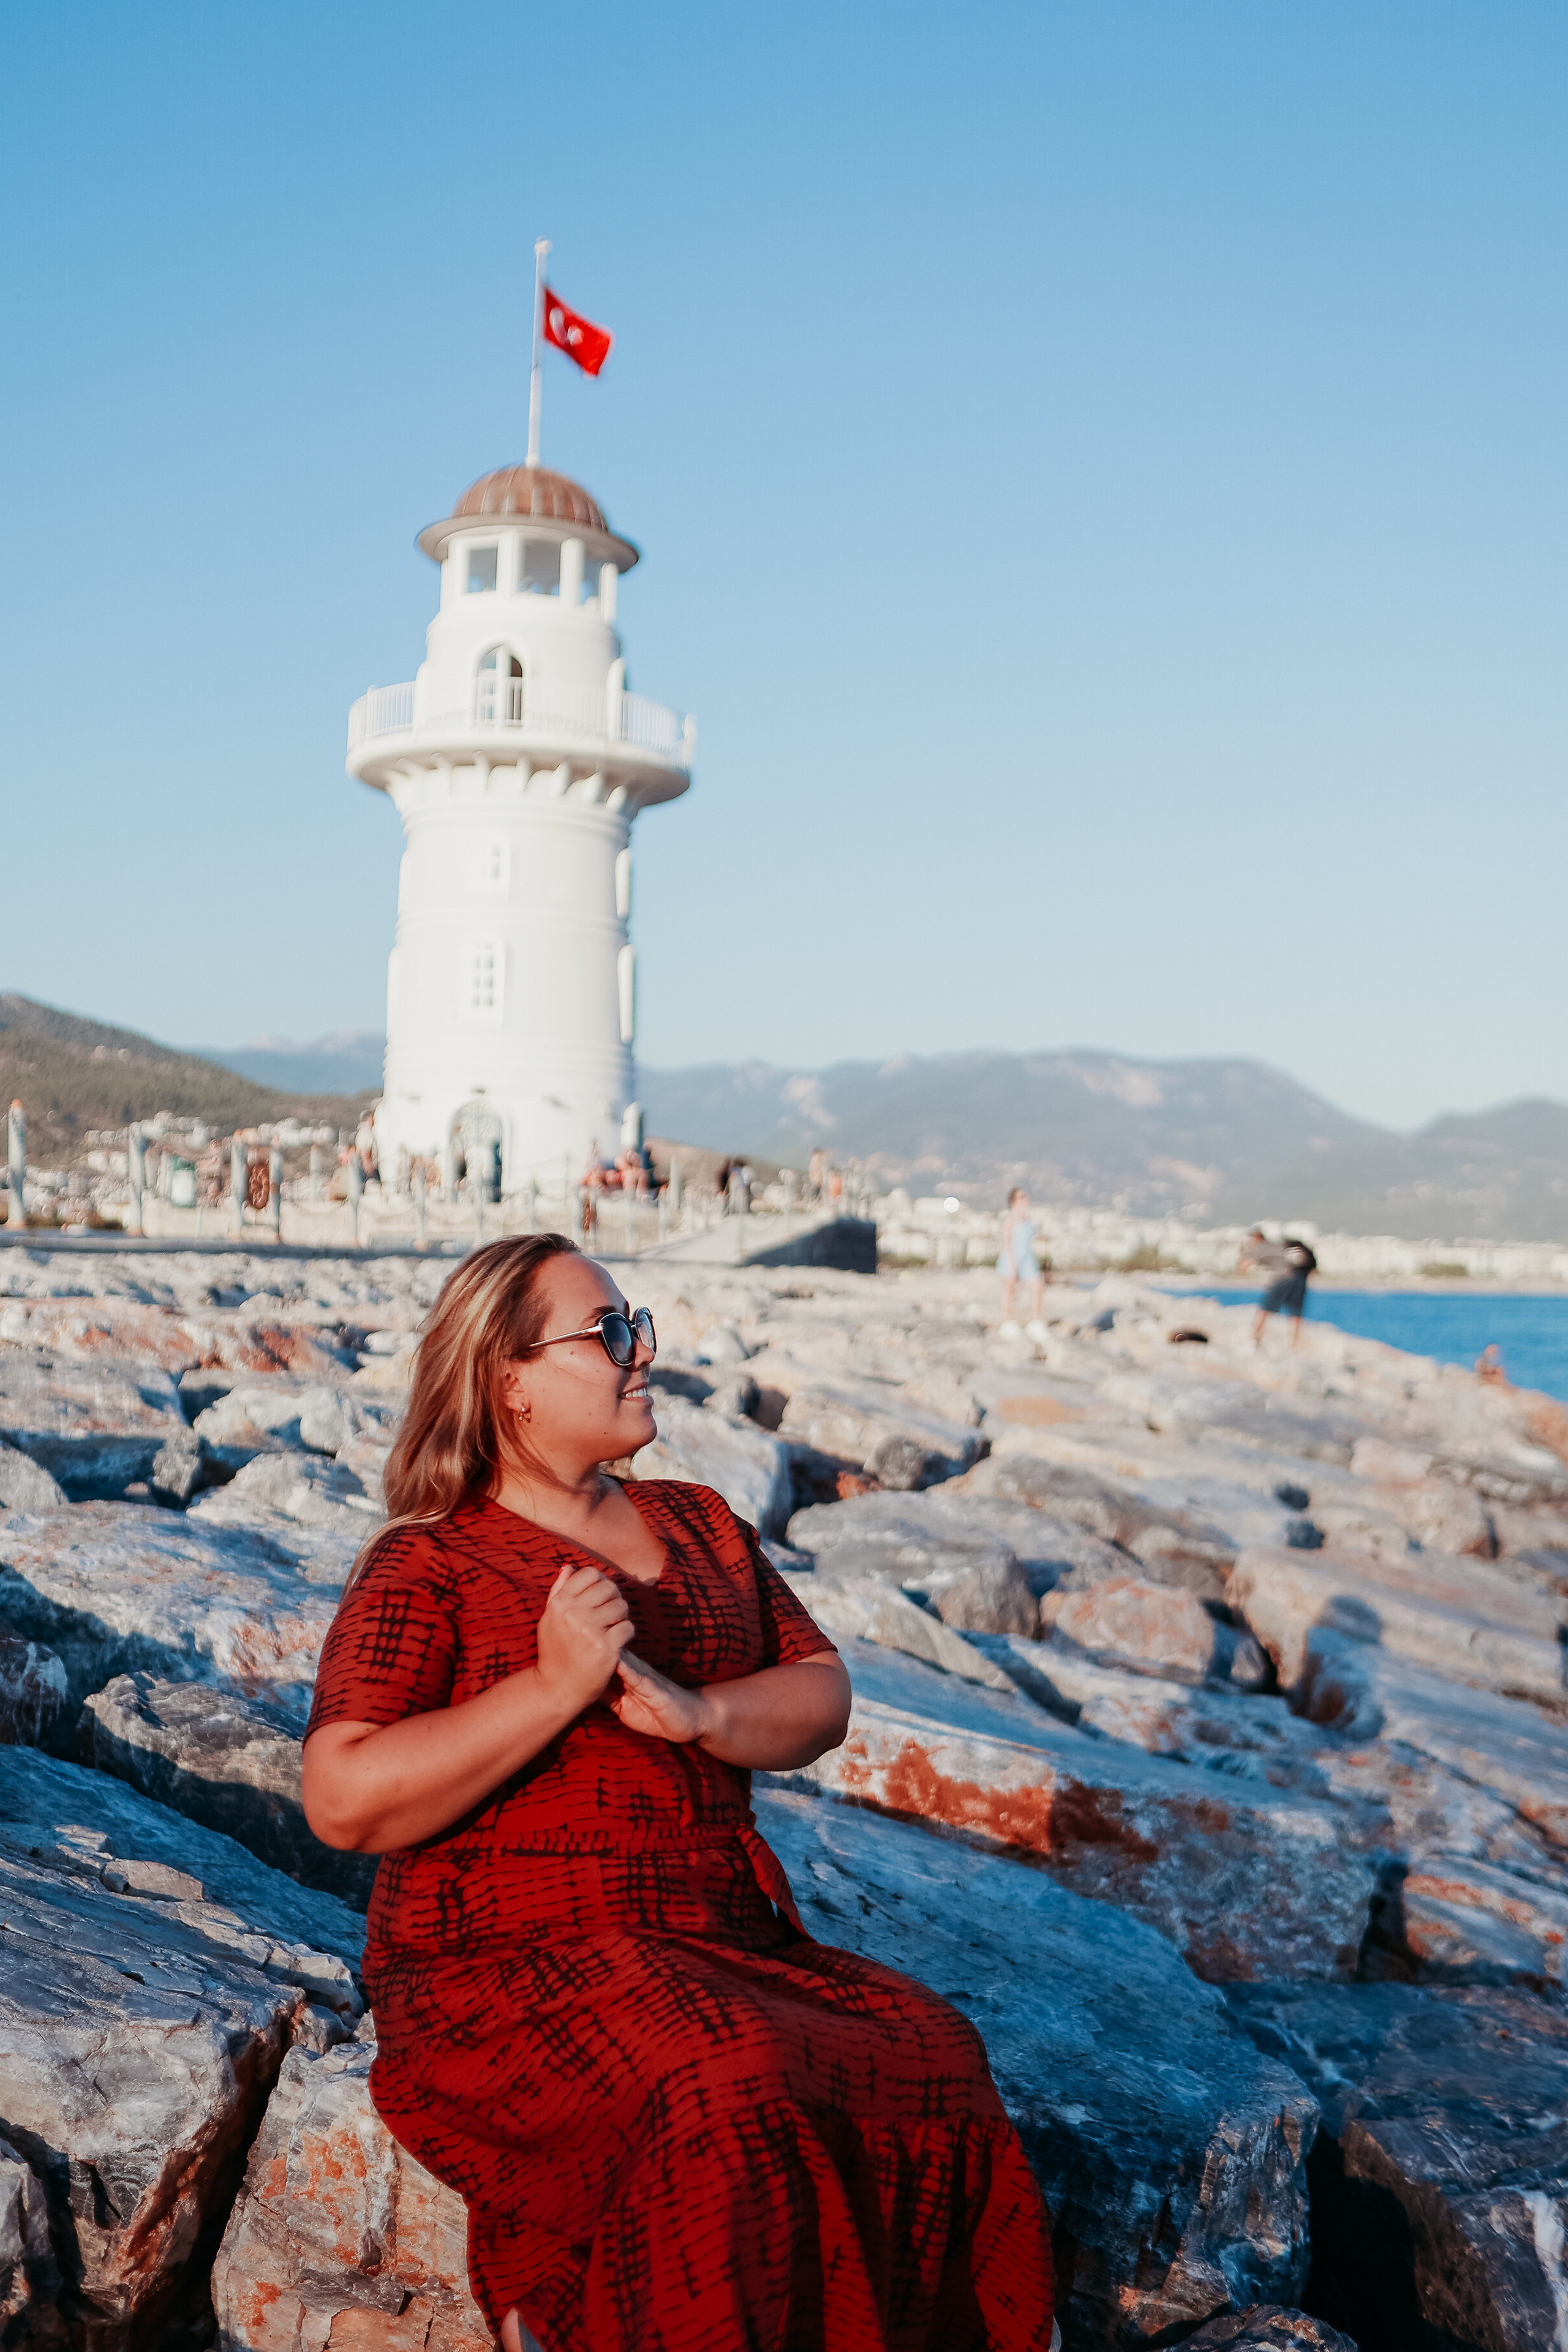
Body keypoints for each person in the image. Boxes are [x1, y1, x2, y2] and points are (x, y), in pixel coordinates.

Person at [301, 1236, 1055, 2352]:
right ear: (508, 1379)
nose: (641, 1350)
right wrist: (555, 1687)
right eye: (610, 1333)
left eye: (636, 1322)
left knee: (931, 2045)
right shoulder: (432, 1561)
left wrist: (705, 1718)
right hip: (509, 1961)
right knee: (725, 2078)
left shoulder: (700, 1523)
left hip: (721, 1929)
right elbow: (343, 1797)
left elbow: (821, 1691)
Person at [1240, 1226, 1316, 1349]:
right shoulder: (1280, 1246)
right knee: (1295, 1312)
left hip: (1283, 1277)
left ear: (1256, 1238)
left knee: (1265, 1307)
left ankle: (1255, 1338)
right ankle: (1294, 1345)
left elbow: (1245, 1265)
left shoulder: (1260, 1247)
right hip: (1300, 1277)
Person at [998, 1187, 1046, 1334]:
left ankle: (1036, 1321)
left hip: (1027, 1258)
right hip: (1011, 1258)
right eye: (1021, 1197)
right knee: (1010, 1290)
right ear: (1013, 1201)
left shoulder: (1027, 1218)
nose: (1025, 1199)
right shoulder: (1010, 1218)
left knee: (1038, 1287)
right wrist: (1012, 1263)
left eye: (1025, 1196)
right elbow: (1006, 1241)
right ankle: (1008, 1322)